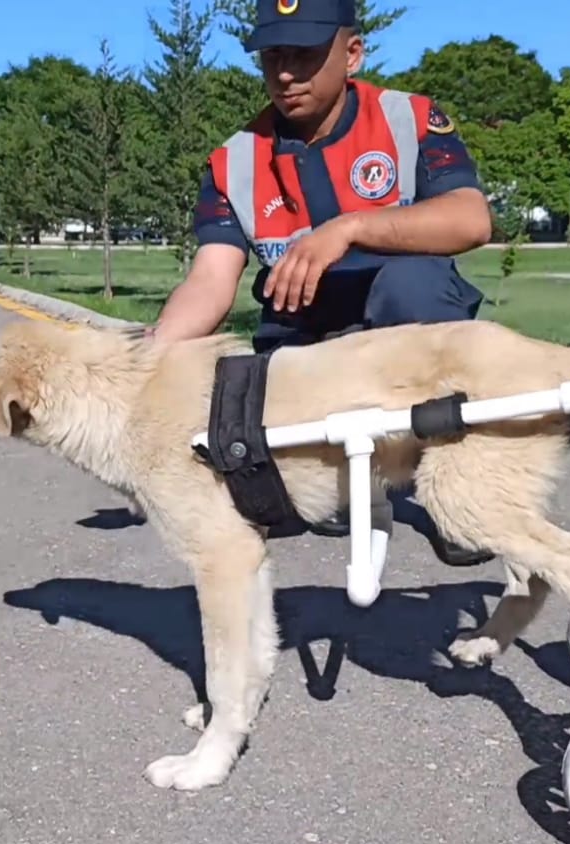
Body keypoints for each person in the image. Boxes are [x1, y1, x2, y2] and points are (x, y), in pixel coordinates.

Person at [144, 0, 497, 566]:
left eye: (305, 55)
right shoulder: (234, 161)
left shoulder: (409, 119)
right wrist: (152, 353)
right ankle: (335, 477)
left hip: (403, 328)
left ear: (352, 53)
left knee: (411, 284)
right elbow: (211, 279)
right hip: (306, 346)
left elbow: (471, 219)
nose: (286, 73)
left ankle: (452, 488)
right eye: (273, 55)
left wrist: (350, 228)